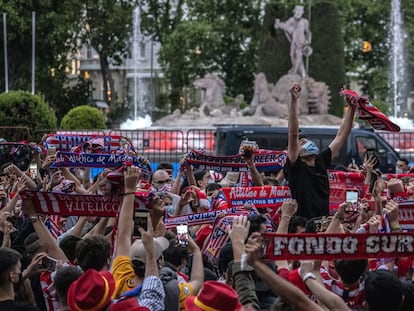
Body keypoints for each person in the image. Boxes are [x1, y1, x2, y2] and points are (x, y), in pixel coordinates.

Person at [285, 83, 356, 218]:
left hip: (323, 222)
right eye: (302, 143)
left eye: (307, 141)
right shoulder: (296, 166)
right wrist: (294, 101)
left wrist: (352, 107)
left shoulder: (320, 161)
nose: (307, 143)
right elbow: (292, 134)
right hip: (303, 225)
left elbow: (341, 136)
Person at [274, 5, 311, 78]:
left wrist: (308, 40)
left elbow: (308, 32)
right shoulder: (291, 20)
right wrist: (279, 24)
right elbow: (285, 26)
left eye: (300, 11)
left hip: (301, 41)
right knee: (292, 55)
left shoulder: (305, 21)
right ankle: (300, 72)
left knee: (298, 55)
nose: (298, 13)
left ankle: (295, 71)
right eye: (297, 11)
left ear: (302, 12)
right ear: (294, 11)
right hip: (294, 39)